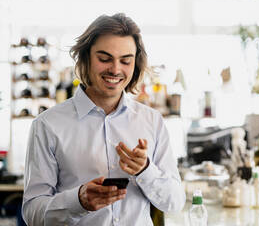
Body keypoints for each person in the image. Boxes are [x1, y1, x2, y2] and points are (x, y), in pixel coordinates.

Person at [22, 13, 186, 225]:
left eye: (126, 61)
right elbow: (32, 213)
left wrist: (146, 170)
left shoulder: (152, 121)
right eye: (104, 58)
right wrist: (77, 201)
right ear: (86, 58)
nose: (116, 70)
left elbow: (174, 203)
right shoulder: (47, 125)